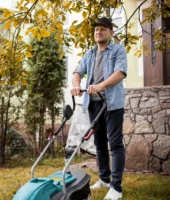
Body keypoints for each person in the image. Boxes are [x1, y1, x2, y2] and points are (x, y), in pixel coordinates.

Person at [70, 17, 127, 200]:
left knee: (115, 144)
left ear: (110, 32)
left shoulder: (118, 50)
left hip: (112, 104)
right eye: (96, 29)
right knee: (99, 144)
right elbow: (78, 71)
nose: (98, 32)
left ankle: (116, 188)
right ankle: (104, 179)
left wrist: (101, 86)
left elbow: (120, 73)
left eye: (102, 29)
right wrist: (76, 84)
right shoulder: (90, 53)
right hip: (93, 103)